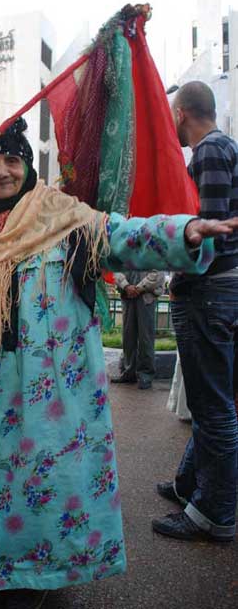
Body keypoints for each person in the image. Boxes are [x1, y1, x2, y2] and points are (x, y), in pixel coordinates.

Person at [0, 118, 233, 607]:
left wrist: (185, 231)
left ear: (28, 167)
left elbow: (124, 236)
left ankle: (35, 572)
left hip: (46, 393)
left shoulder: (66, 220)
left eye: (12, 160)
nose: (1, 172)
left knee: (39, 480)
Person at [153, 81, 238, 543]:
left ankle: (215, 513)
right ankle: (190, 485)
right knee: (213, 399)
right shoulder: (225, 148)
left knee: (212, 406)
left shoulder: (209, 151)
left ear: (181, 113)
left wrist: (178, 269)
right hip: (222, 291)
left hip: (209, 291)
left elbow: (212, 232)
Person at [110, 270, 165, 389]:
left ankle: (146, 375)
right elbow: (116, 268)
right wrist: (126, 286)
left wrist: (138, 288)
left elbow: (158, 273)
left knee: (146, 337)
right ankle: (128, 372)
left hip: (146, 297)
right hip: (127, 296)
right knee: (128, 336)